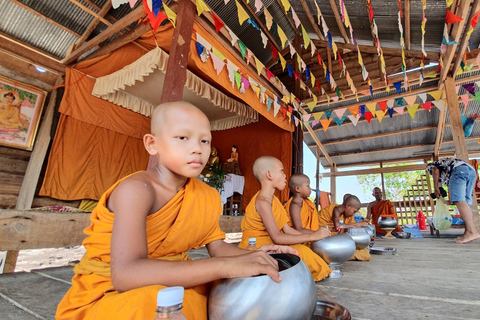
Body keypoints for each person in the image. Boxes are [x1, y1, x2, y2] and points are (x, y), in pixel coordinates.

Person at [56, 101, 296, 320]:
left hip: (175, 280)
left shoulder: (206, 195)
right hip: (114, 289)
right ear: (152, 144)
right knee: (148, 306)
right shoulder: (137, 190)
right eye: (182, 138)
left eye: (204, 141)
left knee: (228, 290)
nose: (197, 149)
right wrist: (225, 266)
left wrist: (253, 255)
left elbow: (217, 248)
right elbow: (126, 274)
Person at [238, 156, 332, 281]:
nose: (285, 176)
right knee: (302, 252)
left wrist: (312, 238)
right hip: (256, 244)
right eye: (281, 171)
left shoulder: (275, 201)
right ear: (269, 174)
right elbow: (276, 237)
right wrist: (311, 236)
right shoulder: (262, 202)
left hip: (270, 241)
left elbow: (287, 230)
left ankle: (316, 272)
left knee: (306, 247)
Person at [426, 157, 480, 244]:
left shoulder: (432, 166)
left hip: (459, 171)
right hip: (471, 171)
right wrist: (442, 194)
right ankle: (468, 232)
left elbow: (435, 170)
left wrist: (435, 188)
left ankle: (471, 232)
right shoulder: (445, 172)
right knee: (464, 202)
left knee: (459, 201)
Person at [318, 194, 371, 261]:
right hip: (324, 241)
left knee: (364, 252)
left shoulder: (345, 214)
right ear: (348, 205)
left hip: (336, 241)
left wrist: (358, 224)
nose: (353, 214)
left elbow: (349, 226)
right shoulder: (335, 210)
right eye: (354, 211)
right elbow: (338, 227)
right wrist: (357, 224)